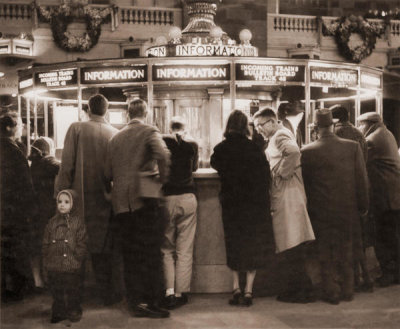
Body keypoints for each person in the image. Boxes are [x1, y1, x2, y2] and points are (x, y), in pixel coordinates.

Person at [105, 98, 170, 318]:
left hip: (122, 205)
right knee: (151, 253)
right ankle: (153, 302)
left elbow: (107, 172)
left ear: (127, 114)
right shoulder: (149, 131)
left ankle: (136, 303)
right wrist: (160, 179)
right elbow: (163, 155)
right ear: (147, 113)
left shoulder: (115, 138)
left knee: (130, 255)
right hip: (145, 201)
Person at [55, 94, 119, 305]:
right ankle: (106, 296)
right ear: (106, 110)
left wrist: (60, 196)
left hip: (78, 200)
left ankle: (75, 301)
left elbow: (67, 167)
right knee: (103, 251)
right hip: (104, 201)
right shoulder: (115, 133)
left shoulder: (76, 128)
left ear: (88, 109)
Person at [301, 109, 369, 304]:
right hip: (348, 210)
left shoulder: (306, 151)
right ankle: (348, 289)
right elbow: (361, 181)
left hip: (320, 211)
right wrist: (363, 206)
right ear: (332, 125)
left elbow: (305, 185)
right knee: (346, 250)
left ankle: (332, 292)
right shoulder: (352, 147)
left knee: (325, 252)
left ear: (315, 128)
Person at [210, 110, 275, 307]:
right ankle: (249, 291)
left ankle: (236, 287)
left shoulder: (221, 148)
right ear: (246, 126)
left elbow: (215, 164)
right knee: (252, 245)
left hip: (231, 204)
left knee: (234, 243)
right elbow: (265, 177)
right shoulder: (255, 148)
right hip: (254, 205)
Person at [253, 108, 315, 303]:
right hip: (287, 197)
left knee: (291, 245)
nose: (258, 130)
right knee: (291, 245)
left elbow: (294, 152)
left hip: (288, 198)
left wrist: (280, 174)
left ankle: (302, 291)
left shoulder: (279, 134)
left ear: (271, 121)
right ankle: (300, 289)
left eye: (260, 126)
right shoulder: (277, 136)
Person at [331, 105, 373, 292]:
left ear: (335, 119)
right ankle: (365, 276)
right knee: (358, 238)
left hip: (342, 192)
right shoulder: (359, 133)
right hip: (358, 190)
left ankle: (351, 280)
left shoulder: (337, 134)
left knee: (343, 240)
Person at [358, 112, 400, 287]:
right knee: (392, 235)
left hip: (386, 197)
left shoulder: (373, 139)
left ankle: (391, 273)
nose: (359, 128)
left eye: (361, 124)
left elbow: (359, 159)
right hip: (394, 195)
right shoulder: (386, 133)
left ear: (370, 124)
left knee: (384, 236)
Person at [161, 117, 199, 309]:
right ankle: (181, 292)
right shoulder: (192, 145)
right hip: (188, 198)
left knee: (167, 248)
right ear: (185, 129)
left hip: (167, 198)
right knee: (184, 248)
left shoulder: (162, 143)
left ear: (169, 128)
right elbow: (195, 168)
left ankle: (168, 291)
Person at [0, 111, 35, 302]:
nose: (22, 127)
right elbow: (24, 183)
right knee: (17, 248)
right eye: (19, 124)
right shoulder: (13, 150)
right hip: (14, 209)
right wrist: (30, 209)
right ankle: (21, 289)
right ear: (9, 128)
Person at [42, 189, 88, 323]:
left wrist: (78, 258)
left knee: (73, 288)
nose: (62, 205)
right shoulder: (51, 223)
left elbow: (82, 242)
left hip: (71, 263)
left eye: (66, 202)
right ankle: (59, 310)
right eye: (60, 202)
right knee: (57, 290)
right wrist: (47, 258)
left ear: (73, 204)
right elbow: (46, 241)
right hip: (54, 264)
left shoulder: (78, 223)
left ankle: (74, 309)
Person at [29, 137, 60, 291]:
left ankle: (38, 280)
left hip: (34, 208)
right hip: (47, 208)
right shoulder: (48, 162)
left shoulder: (34, 164)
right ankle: (49, 278)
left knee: (36, 244)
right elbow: (64, 167)